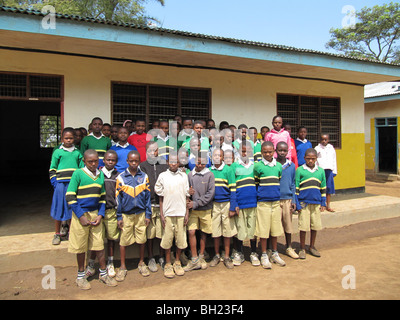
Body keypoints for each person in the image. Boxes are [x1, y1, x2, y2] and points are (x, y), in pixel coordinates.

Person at [66, 149, 117, 290]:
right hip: (80, 215)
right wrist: (81, 216)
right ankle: (80, 276)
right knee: (80, 247)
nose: (93, 164)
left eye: (95, 161)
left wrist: (100, 215)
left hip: (95, 214)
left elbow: (102, 198)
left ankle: (103, 273)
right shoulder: (78, 174)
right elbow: (70, 196)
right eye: (90, 162)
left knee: (99, 245)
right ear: (84, 161)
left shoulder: (100, 174)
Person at [115, 151, 152, 281]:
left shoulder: (144, 176)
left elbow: (147, 197)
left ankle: (141, 263)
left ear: (139, 161)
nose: (134, 163)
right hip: (126, 214)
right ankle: (123, 266)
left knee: (142, 239)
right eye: (131, 161)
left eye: (136, 161)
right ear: (127, 161)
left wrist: (148, 214)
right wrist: (119, 216)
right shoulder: (121, 178)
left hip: (141, 213)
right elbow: (118, 199)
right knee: (124, 240)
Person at [86, 150, 121, 278]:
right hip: (98, 212)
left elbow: (120, 195)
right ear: (104, 160)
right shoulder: (98, 174)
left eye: (113, 160)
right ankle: (91, 264)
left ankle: (110, 263)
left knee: (111, 239)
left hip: (112, 211)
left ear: (116, 162)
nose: (110, 162)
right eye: (108, 160)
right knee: (97, 240)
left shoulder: (118, 176)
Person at [155, 152, 190, 278]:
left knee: (180, 239)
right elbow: (160, 196)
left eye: (176, 161)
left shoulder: (183, 176)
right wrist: (162, 214)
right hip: (168, 213)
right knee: (168, 239)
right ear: (167, 162)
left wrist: (187, 212)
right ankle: (168, 263)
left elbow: (187, 195)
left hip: (180, 212)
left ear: (179, 162)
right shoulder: (163, 176)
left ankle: (177, 261)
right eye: (171, 161)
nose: (174, 163)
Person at [49, 127, 83, 245]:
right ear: (62, 139)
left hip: (73, 185)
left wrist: (79, 183)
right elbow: (52, 168)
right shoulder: (58, 152)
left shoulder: (77, 152)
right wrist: (55, 182)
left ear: (74, 139)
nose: (68, 140)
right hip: (60, 184)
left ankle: (70, 233)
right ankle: (57, 234)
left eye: (71, 138)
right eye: (66, 138)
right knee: (59, 207)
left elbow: (81, 169)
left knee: (71, 208)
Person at [254, 141, 285, 268]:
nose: (268, 154)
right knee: (263, 230)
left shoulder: (278, 166)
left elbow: (278, 180)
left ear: (274, 152)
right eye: (265, 152)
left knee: (275, 229)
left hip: (276, 202)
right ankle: (264, 254)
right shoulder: (258, 166)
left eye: (270, 152)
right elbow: (256, 182)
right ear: (261, 152)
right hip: (263, 203)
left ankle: (275, 253)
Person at [140, 141, 169, 271]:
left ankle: (161, 256)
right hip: (149, 204)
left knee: (162, 232)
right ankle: (151, 257)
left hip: (163, 205)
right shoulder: (142, 166)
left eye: (155, 150)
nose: (153, 152)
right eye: (150, 150)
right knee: (150, 234)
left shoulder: (164, 165)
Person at [185, 152, 215, 272]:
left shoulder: (210, 175)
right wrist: (189, 193)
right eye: (198, 162)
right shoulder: (190, 175)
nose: (200, 165)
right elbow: (187, 190)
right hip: (193, 210)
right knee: (191, 231)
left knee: (203, 232)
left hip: (205, 209)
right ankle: (194, 258)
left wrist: (196, 203)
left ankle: (201, 255)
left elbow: (210, 194)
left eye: (203, 163)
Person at [230, 141, 258, 266]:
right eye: (243, 151)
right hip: (240, 204)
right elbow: (233, 186)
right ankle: (240, 252)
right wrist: (234, 203)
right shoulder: (234, 166)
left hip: (253, 202)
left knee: (252, 228)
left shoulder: (255, 166)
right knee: (240, 229)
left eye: (248, 151)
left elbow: (258, 184)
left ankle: (253, 252)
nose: (245, 153)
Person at [295, 148, 326, 259]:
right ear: (304, 158)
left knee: (315, 225)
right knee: (303, 227)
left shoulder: (320, 171)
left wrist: (323, 202)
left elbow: (323, 188)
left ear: (316, 159)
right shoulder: (300, 170)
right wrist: (297, 204)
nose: (311, 161)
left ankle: (312, 246)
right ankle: (302, 248)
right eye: (308, 159)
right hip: (303, 203)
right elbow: (296, 187)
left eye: (313, 159)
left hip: (316, 203)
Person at [209, 148, 237, 269]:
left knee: (227, 232)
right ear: (211, 157)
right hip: (214, 205)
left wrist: (232, 206)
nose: (217, 157)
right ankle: (216, 254)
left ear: (223, 158)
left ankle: (226, 256)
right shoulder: (209, 171)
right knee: (216, 232)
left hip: (226, 204)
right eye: (214, 155)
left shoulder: (228, 170)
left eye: (219, 155)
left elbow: (233, 189)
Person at [276, 142, 299, 259]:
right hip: (275, 200)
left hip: (287, 200)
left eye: (284, 151)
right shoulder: (273, 165)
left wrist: (294, 200)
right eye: (280, 150)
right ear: (276, 151)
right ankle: (272, 249)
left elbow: (293, 184)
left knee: (288, 225)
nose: (282, 152)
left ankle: (289, 247)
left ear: (287, 152)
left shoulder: (291, 166)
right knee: (274, 226)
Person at [315, 134, 337, 212]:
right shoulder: (317, 148)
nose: (324, 141)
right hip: (321, 170)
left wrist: (334, 171)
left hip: (329, 170)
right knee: (321, 188)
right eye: (322, 139)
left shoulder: (331, 148)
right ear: (320, 140)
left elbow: (334, 159)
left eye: (326, 139)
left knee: (329, 189)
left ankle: (328, 205)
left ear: (328, 140)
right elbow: (315, 161)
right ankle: (321, 204)